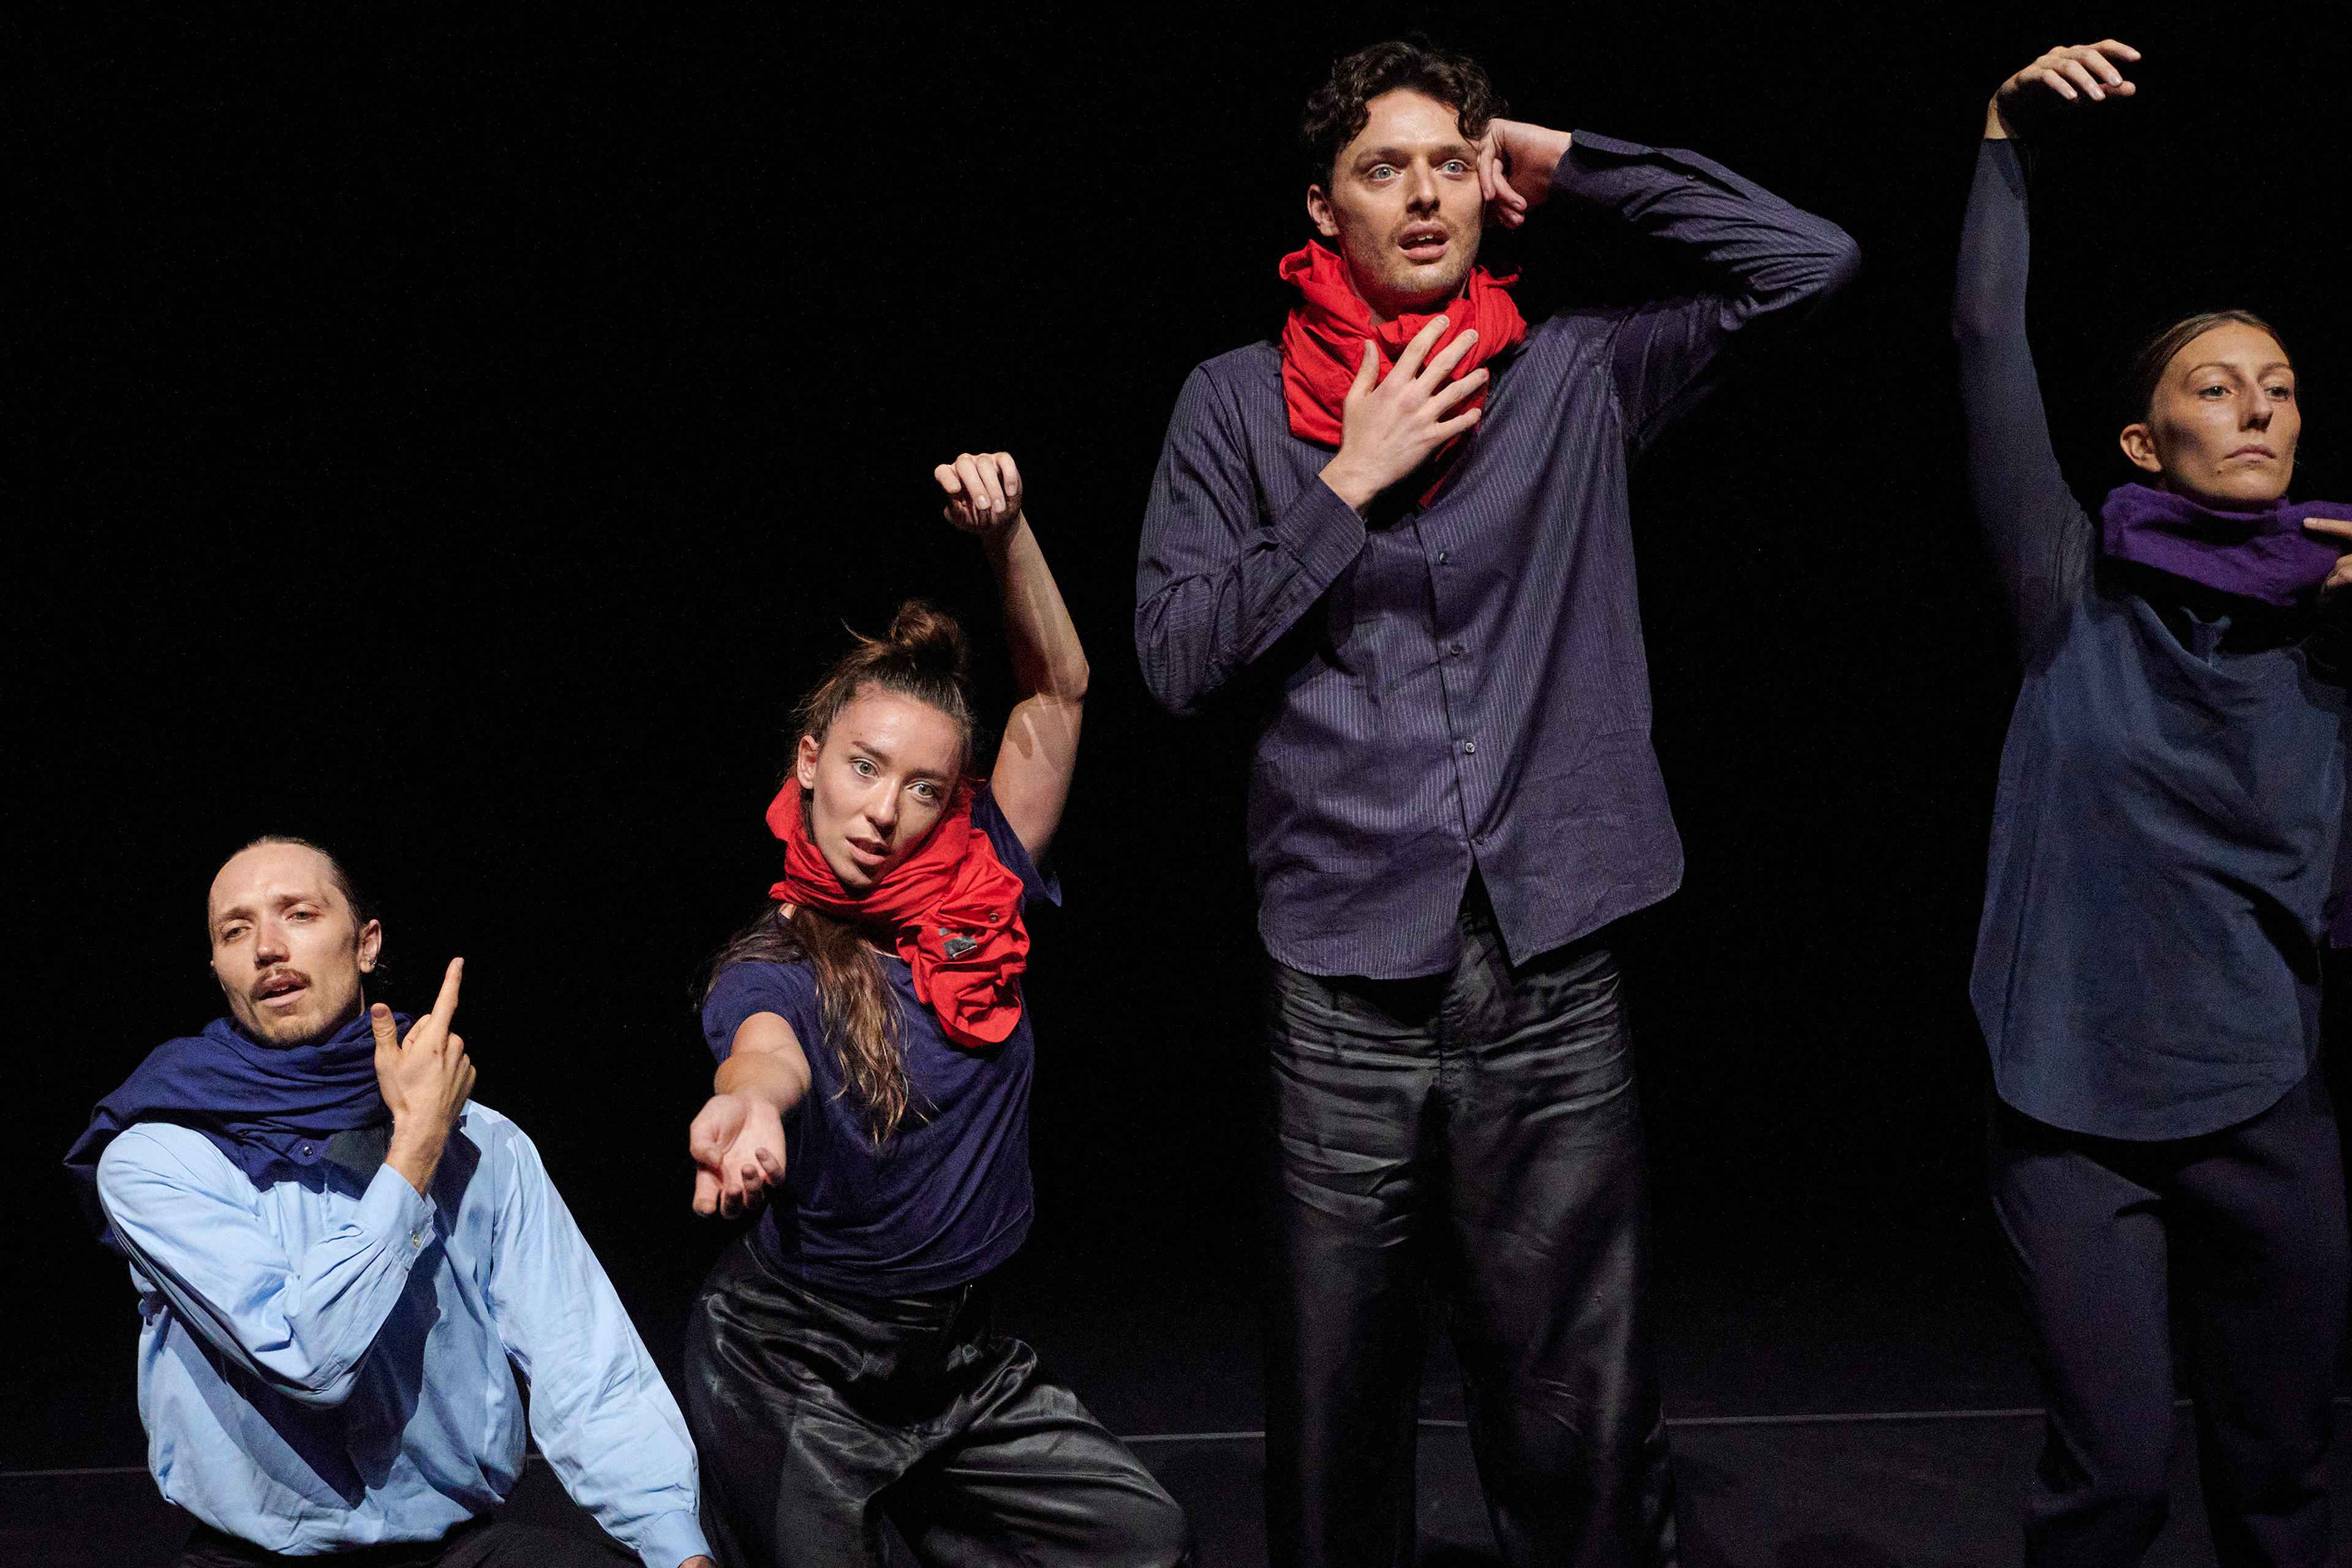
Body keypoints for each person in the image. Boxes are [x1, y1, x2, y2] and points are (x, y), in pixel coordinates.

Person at [1133, 35, 1858, 1568]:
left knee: (1575, 1397)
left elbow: (1809, 264)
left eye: (1448, 164)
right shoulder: (1234, 403)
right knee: (1339, 1394)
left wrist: (1567, 156)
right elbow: (1177, 657)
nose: (1421, 195)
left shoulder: (1569, 377)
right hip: (1341, 969)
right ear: (1321, 206)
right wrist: (1345, 485)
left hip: (1548, 956)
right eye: (1380, 168)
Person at [1955, 39, 2352, 1568]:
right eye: (2215, 387)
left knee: (2284, 1483)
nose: (2255, 410)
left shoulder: (2332, 615)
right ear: (2145, 440)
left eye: (2280, 390)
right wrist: (2002, 137)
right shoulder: (2069, 584)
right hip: (2071, 1101)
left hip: (2263, 1096)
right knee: (2115, 1477)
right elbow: (1986, 338)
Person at [682, 453, 1191, 1567]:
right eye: (864, 768)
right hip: (795, 1367)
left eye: (921, 788)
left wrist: (1007, 535)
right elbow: (764, 1051)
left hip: (956, 1363)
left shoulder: (986, 881)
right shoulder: (772, 961)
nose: (884, 812)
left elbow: (1059, 692)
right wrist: (751, 1106)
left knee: (1145, 1543)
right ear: (809, 761)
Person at [65, 837, 714, 1568]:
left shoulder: (484, 1143)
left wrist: (677, 1547)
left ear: (366, 943)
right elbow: (307, 1357)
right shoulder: (158, 1156)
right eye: (235, 930)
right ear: (218, 967)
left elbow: (585, 1365)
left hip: (454, 1551)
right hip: (255, 1559)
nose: (268, 947)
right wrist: (414, 1153)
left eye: (299, 914)